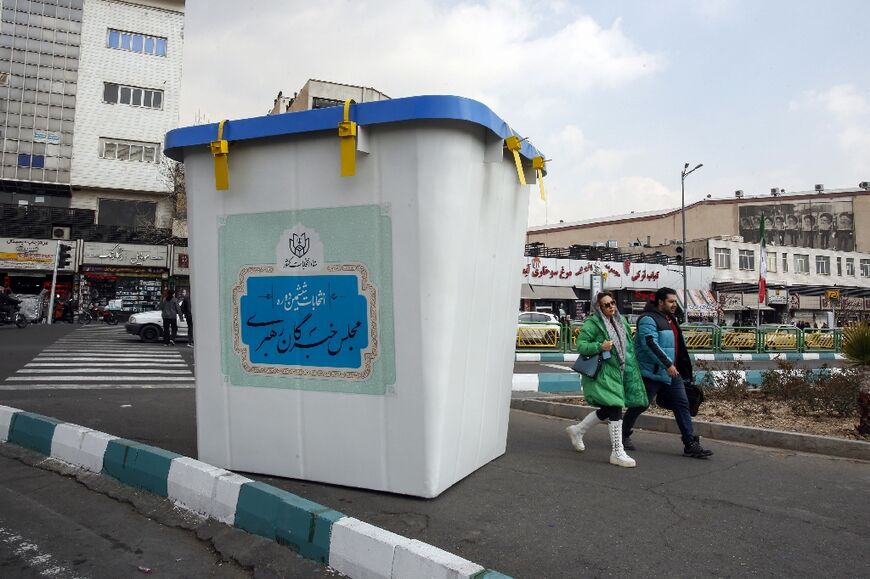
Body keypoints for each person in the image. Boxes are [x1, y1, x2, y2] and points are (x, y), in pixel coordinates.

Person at [622, 287, 714, 459]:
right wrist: (667, 364)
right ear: (660, 302)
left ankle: (690, 444)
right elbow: (650, 344)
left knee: (682, 404)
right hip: (653, 372)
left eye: (675, 301)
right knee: (640, 405)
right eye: (671, 301)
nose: (674, 305)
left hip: (672, 373)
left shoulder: (670, 319)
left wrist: (679, 367)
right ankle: (623, 433)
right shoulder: (648, 319)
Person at [565, 291, 648, 468]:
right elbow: (581, 345)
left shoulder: (621, 320)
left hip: (621, 371)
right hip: (603, 372)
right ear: (598, 307)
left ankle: (578, 430)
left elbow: (628, 348)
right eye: (606, 305)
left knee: (608, 408)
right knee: (615, 406)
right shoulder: (593, 323)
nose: (611, 307)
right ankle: (617, 451)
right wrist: (599, 346)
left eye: (612, 303)